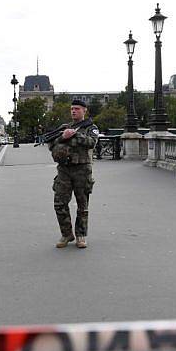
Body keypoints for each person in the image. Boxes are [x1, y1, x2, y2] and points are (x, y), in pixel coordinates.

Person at [48, 99, 99, 249]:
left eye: (77, 108)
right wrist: (63, 136)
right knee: (59, 203)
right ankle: (66, 234)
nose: (73, 111)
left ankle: (81, 235)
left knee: (82, 205)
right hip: (64, 169)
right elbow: (52, 144)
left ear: (84, 110)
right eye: (72, 109)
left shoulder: (91, 127)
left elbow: (92, 143)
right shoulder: (64, 128)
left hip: (82, 169)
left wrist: (74, 135)